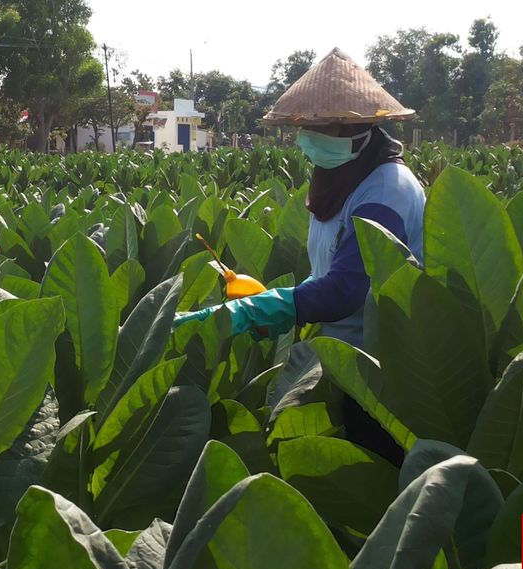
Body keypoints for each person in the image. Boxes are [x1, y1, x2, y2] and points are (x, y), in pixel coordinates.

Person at [175, 48, 426, 466]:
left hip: (386, 375)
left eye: (325, 126)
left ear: (361, 130)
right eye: (308, 127)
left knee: (381, 482)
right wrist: (272, 306)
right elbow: (328, 272)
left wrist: (261, 310)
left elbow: (346, 289)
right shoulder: (345, 177)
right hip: (347, 369)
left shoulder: (387, 189)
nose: (311, 137)